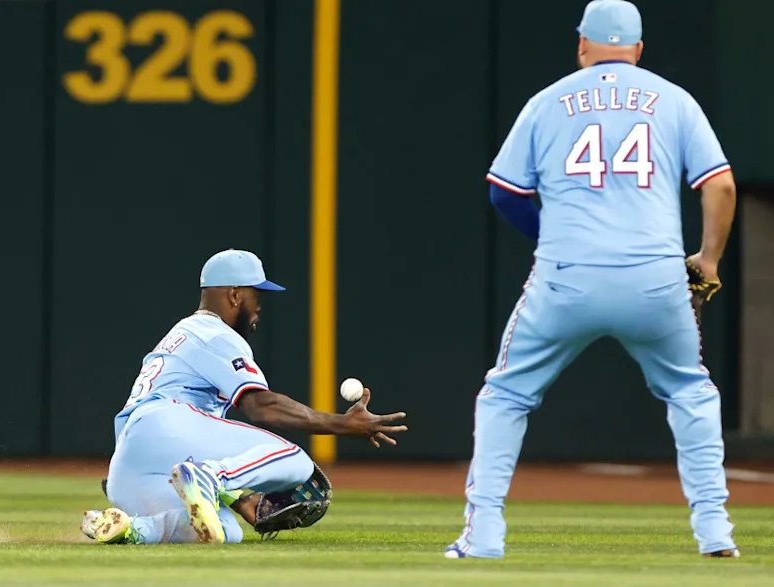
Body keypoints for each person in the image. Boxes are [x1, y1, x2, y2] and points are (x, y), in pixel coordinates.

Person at [445, 0, 739, 559]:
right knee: (691, 392)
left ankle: (483, 535)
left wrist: (554, 233)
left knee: (505, 394)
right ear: (639, 49)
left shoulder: (547, 100)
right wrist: (707, 260)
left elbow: (504, 192)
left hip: (567, 276)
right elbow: (720, 186)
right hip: (655, 278)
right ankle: (714, 531)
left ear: (582, 44)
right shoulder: (673, 99)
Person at [80, 249, 408, 545]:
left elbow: (175, 446)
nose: (260, 306)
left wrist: (239, 500)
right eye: (257, 295)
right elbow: (262, 407)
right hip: (165, 423)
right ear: (235, 294)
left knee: (226, 532)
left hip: (127, 467)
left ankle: (130, 528)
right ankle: (212, 477)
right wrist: (342, 424)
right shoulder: (213, 333)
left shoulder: (177, 336)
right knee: (296, 461)